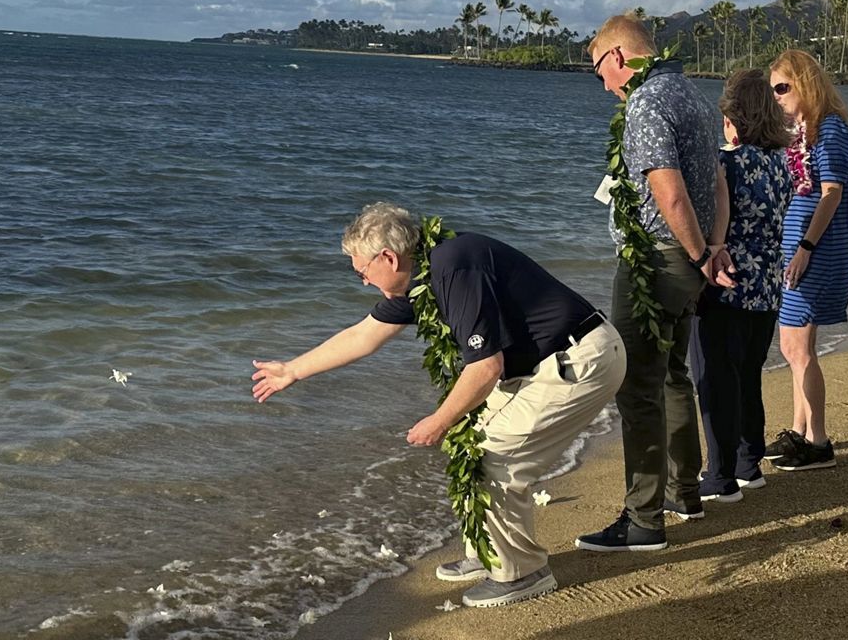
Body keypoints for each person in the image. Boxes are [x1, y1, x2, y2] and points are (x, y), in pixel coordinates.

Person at [249, 203, 627, 607]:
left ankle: (523, 574)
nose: (362, 281)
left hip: (579, 359)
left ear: (389, 258)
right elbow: (364, 335)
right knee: (468, 446)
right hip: (543, 365)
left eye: (361, 271)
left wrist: (439, 419)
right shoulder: (422, 273)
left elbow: (485, 366)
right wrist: (293, 370)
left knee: (492, 456)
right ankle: (489, 553)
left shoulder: (455, 266)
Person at [576, 14, 732, 551]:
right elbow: (714, 180)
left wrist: (697, 253)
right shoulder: (687, 93)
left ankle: (643, 520)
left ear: (618, 58)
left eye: (599, 71)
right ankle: (684, 492)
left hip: (655, 263)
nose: (602, 85)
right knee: (671, 374)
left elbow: (669, 192)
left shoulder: (645, 102)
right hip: (686, 259)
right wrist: (713, 247)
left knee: (636, 387)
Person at [689, 70, 793, 502]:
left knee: (715, 377)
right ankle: (749, 463)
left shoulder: (727, 163)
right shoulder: (780, 164)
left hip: (727, 279)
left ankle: (720, 474)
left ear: (733, 118)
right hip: (767, 280)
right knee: (748, 373)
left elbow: (708, 214)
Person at [763, 49, 848, 471]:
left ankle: (818, 441)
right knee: (794, 345)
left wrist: (806, 248)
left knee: (797, 346)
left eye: (782, 88)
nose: (777, 97)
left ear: (804, 84)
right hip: (799, 249)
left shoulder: (828, 129)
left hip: (818, 250)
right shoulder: (800, 131)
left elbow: (831, 193)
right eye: (773, 90)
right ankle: (799, 431)